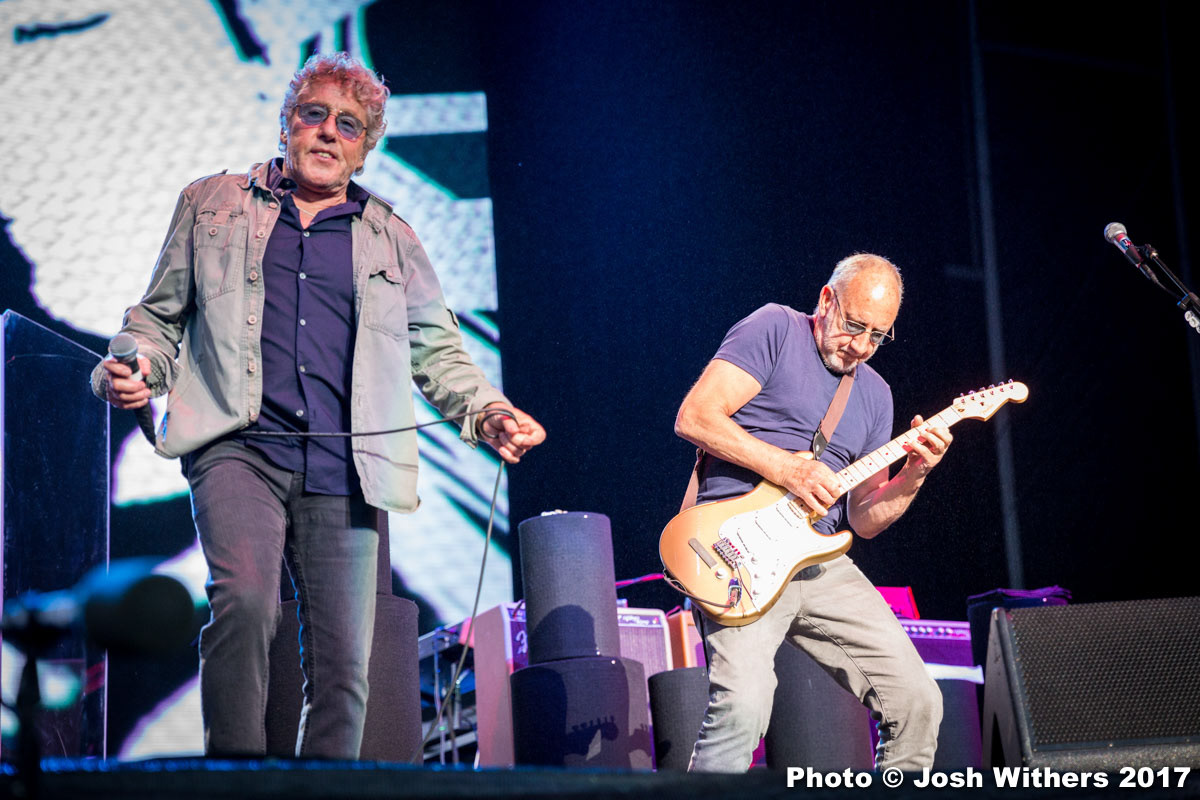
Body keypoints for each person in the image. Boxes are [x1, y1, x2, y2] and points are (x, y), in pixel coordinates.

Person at [92, 52, 544, 759]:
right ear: (287, 125)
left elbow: (437, 353)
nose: (330, 131)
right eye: (315, 114)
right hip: (237, 447)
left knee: (344, 663)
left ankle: (321, 789)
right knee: (244, 602)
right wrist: (139, 367)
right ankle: (235, 776)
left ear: (365, 148)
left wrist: (487, 411)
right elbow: (156, 320)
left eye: (349, 125)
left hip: (344, 465)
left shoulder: (392, 237)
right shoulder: (212, 203)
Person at [674, 253, 951, 772]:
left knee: (918, 701)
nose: (861, 345)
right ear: (827, 300)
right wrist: (788, 469)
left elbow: (864, 517)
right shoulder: (775, 328)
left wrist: (915, 473)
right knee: (741, 710)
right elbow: (695, 417)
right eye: (855, 326)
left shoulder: (876, 395)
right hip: (737, 552)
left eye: (878, 336)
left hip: (819, 562)